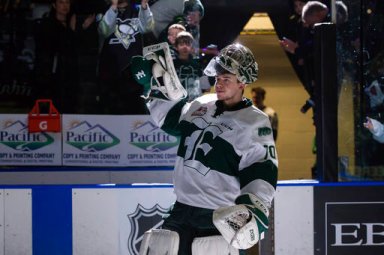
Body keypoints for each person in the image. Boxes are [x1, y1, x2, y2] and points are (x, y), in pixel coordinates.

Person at [137, 43, 278, 254]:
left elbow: (262, 169)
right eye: (218, 78)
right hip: (181, 209)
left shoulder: (255, 122)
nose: (219, 84)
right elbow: (171, 120)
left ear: (242, 83)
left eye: (226, 79)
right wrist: (154, 87)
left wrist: (254, 209)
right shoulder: (202, 103)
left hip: (218, 214)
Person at [97, 0, 154, 114]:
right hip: (110, 69)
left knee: (134, 110)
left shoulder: (138, 10)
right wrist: (113, 6)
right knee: (109, 111)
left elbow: (148, 28)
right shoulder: (102, 12)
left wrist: (144, 6)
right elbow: (104, 31)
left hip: (134, 70)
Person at [33, 0, 79, 113]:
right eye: (61, 3)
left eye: (67, 3)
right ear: (54, 5)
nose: (65, 6)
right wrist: (70, 31)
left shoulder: (73, 22)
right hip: (51, 73)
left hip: (69, 72)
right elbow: (53, 45)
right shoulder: (47, 24)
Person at [173, 31, 204, 101]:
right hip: (175, 101)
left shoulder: (197, 64)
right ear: (176, 47)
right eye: (181, 44)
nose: (185, 47)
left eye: (187, 44)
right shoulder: (171, 64)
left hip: (194, 101)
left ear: (191, 47)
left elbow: (204, 84)